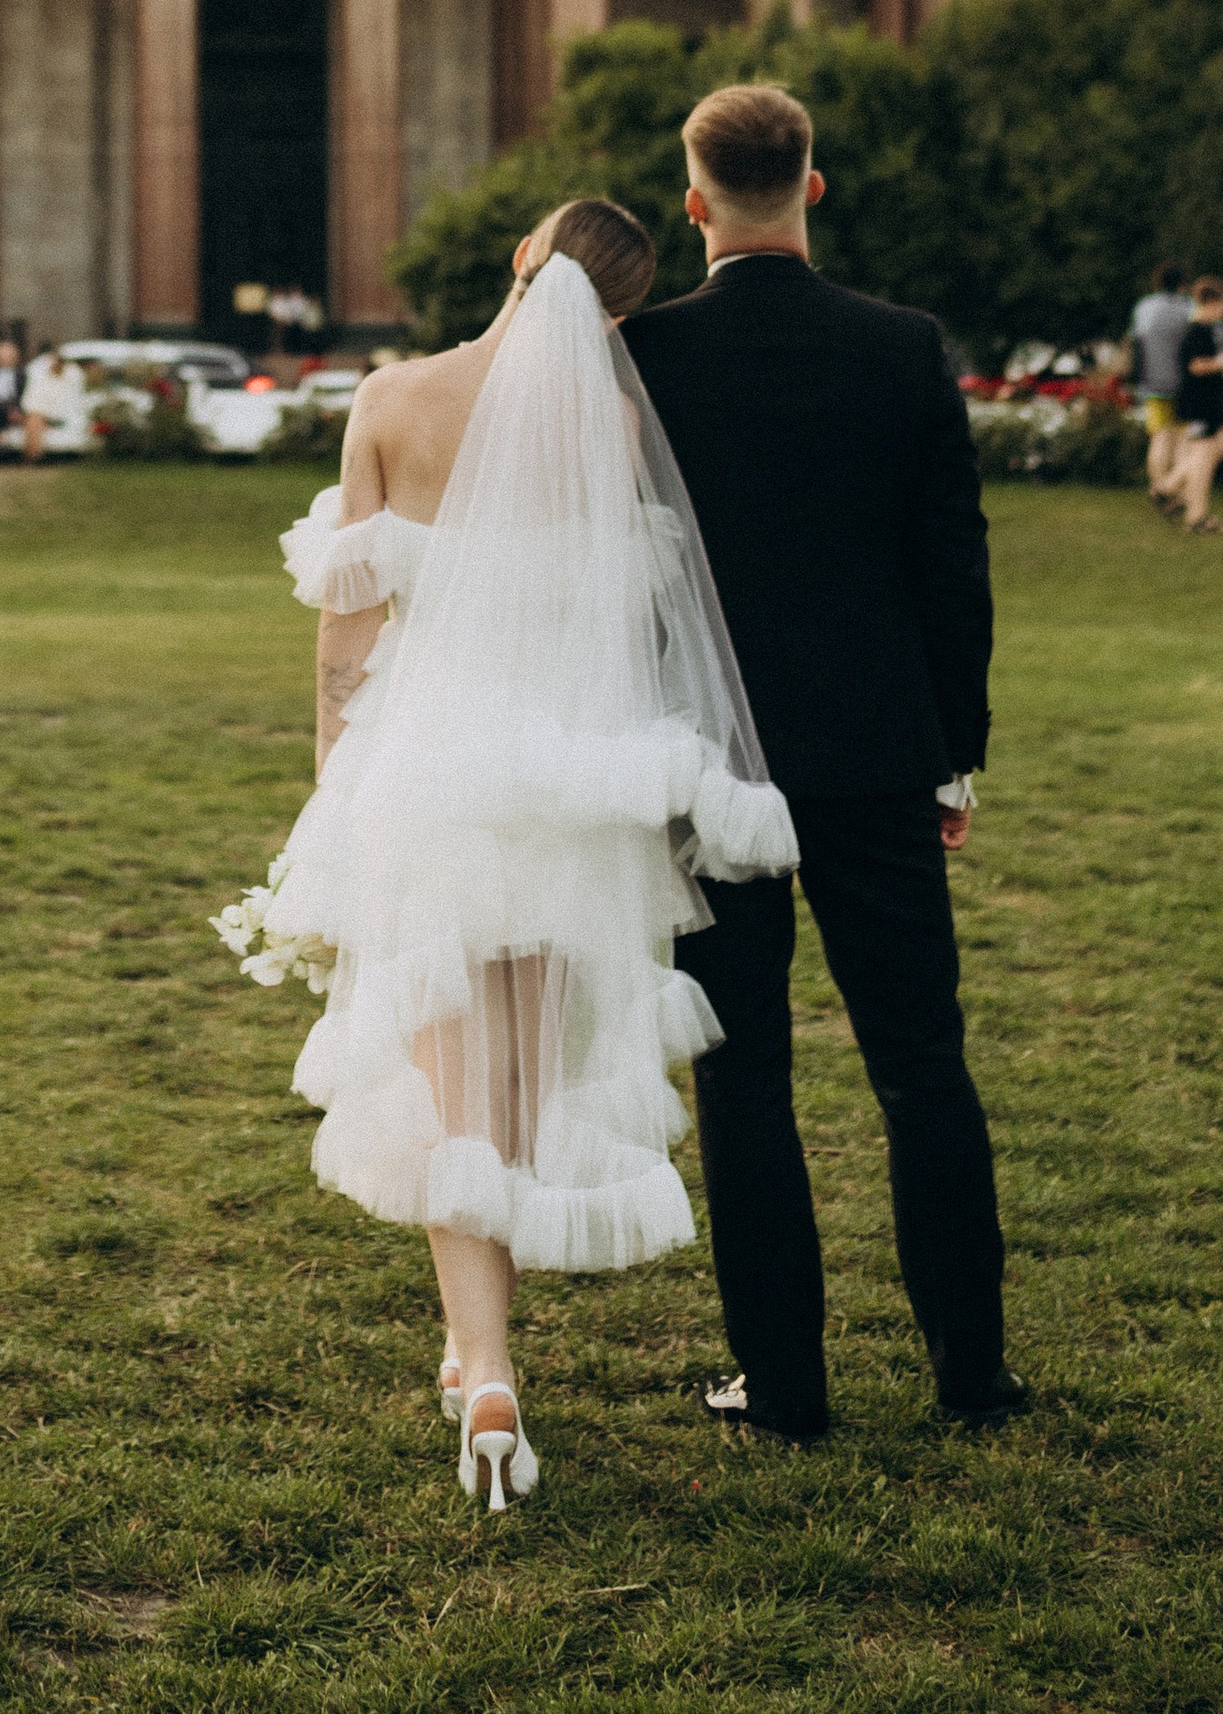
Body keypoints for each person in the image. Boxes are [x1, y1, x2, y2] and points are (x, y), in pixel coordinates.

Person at [218, 198, 797, 1510]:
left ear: (518, 263)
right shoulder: (621, 429)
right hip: (565, 795)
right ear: (621, 317)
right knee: (517, 1094)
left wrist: (333, 799)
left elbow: (342, 641)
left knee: (452, 1093)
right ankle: (477, 1352)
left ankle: (482, 1368)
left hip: (425, 782)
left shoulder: (393, 399)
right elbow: (637, 626)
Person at [621, 80, 1020, 1441]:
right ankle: (973, 1377)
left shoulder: (645, 359)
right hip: (878, 759)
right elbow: (951, 570)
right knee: (923, 1064)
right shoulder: (904, 347)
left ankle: (785, 1388)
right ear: (815, 185)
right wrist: (953, 759)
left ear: (693, 203)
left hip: (710, 766)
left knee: (746, 1079)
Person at [1173, 278, 1223, 534]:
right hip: (1199, 401)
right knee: (1202, 459)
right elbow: (1196, 366)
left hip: (1210, 400)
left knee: (1219, 449)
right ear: (1212, 303)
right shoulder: (1197, 331)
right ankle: (1196, 516)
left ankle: (1168, 490)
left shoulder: (1207, 330)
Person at [1129, 260, 1194, 514]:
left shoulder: (1145, 307)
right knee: (1181, 440)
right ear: (1182, 284)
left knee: (1159, 438)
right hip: (1182, 383)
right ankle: (1172, 491)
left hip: (1151, 382)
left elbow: (1137, 342)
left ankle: (1159, 489)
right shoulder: (1188, 307)